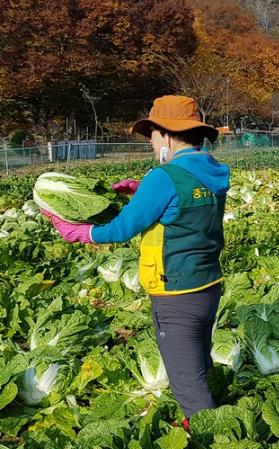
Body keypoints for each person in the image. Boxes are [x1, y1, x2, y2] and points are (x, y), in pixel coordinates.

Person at [42, 95, 229, 429]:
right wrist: (144, 190)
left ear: (167, 134)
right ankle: (214, 415)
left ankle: (217, 444)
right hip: (208, 286)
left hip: (175, 293)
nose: (151, 143)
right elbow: (186, 205)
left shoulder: (165, 176)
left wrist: (81, 233)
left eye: (153, 135)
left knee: (187, 382)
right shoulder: (213, 171)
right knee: (199, 362)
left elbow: (123, 228)